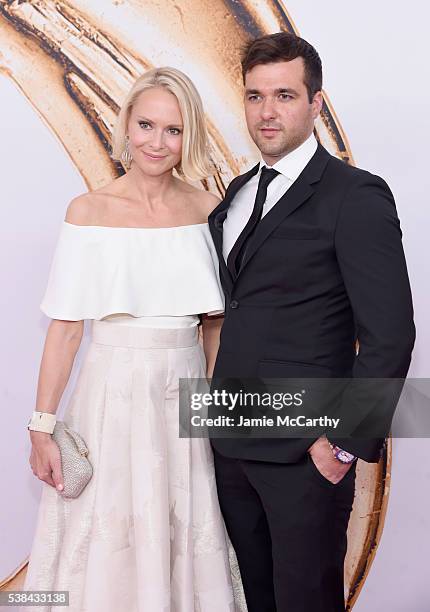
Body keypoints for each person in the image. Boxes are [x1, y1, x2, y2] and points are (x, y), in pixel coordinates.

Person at [24, 67, 245, 612]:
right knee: (106, 529)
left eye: (172, 130)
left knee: (184, 525)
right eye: (146, 124)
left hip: (185, 391)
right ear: (125, 124)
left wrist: (217, 406)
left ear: (188, 136)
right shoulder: (89, 211)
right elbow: (66, 329)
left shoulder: (207, 211)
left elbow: (213, 323)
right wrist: (42, 427)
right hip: (112, 395)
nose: (156, 142)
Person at [208, 33, 415, 612]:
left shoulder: (356, 195)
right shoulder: (239, 193)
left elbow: (391, 335)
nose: (267, 112)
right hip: (233, 444)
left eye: (284, 96)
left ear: (316, 104)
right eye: (255, 96)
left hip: (306, 454)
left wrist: (342, 447)